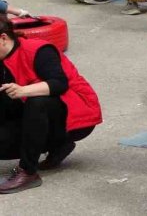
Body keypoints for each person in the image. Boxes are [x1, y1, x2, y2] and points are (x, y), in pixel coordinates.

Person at [0, 16, 102, 193]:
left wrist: (24, 90)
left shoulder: (38, 49)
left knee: (37, 101)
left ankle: (28, 172)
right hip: (34, 116)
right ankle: (58, 145)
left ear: (3, 38)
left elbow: (58, 84)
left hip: (74, 112)